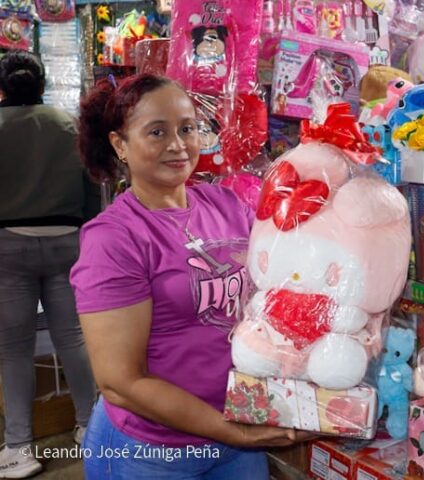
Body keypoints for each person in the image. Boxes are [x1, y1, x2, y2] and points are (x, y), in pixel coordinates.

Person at [70, 73, 312, 479]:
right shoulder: (114, 238)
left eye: (187, 128)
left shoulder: (225, 203)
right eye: (157, 132)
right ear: (120, 145)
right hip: (151, 452)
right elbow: (120, 382)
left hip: (237, 434)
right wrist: (234, 432)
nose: (178, 144)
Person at [0, 51, 99, 478]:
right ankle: (89, 428)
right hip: (68, 243)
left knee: (14, 350)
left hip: (7, 246)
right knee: (73, 339)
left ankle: (19, 448)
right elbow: (92, 189)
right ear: (41, 85)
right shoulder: (68, 124)